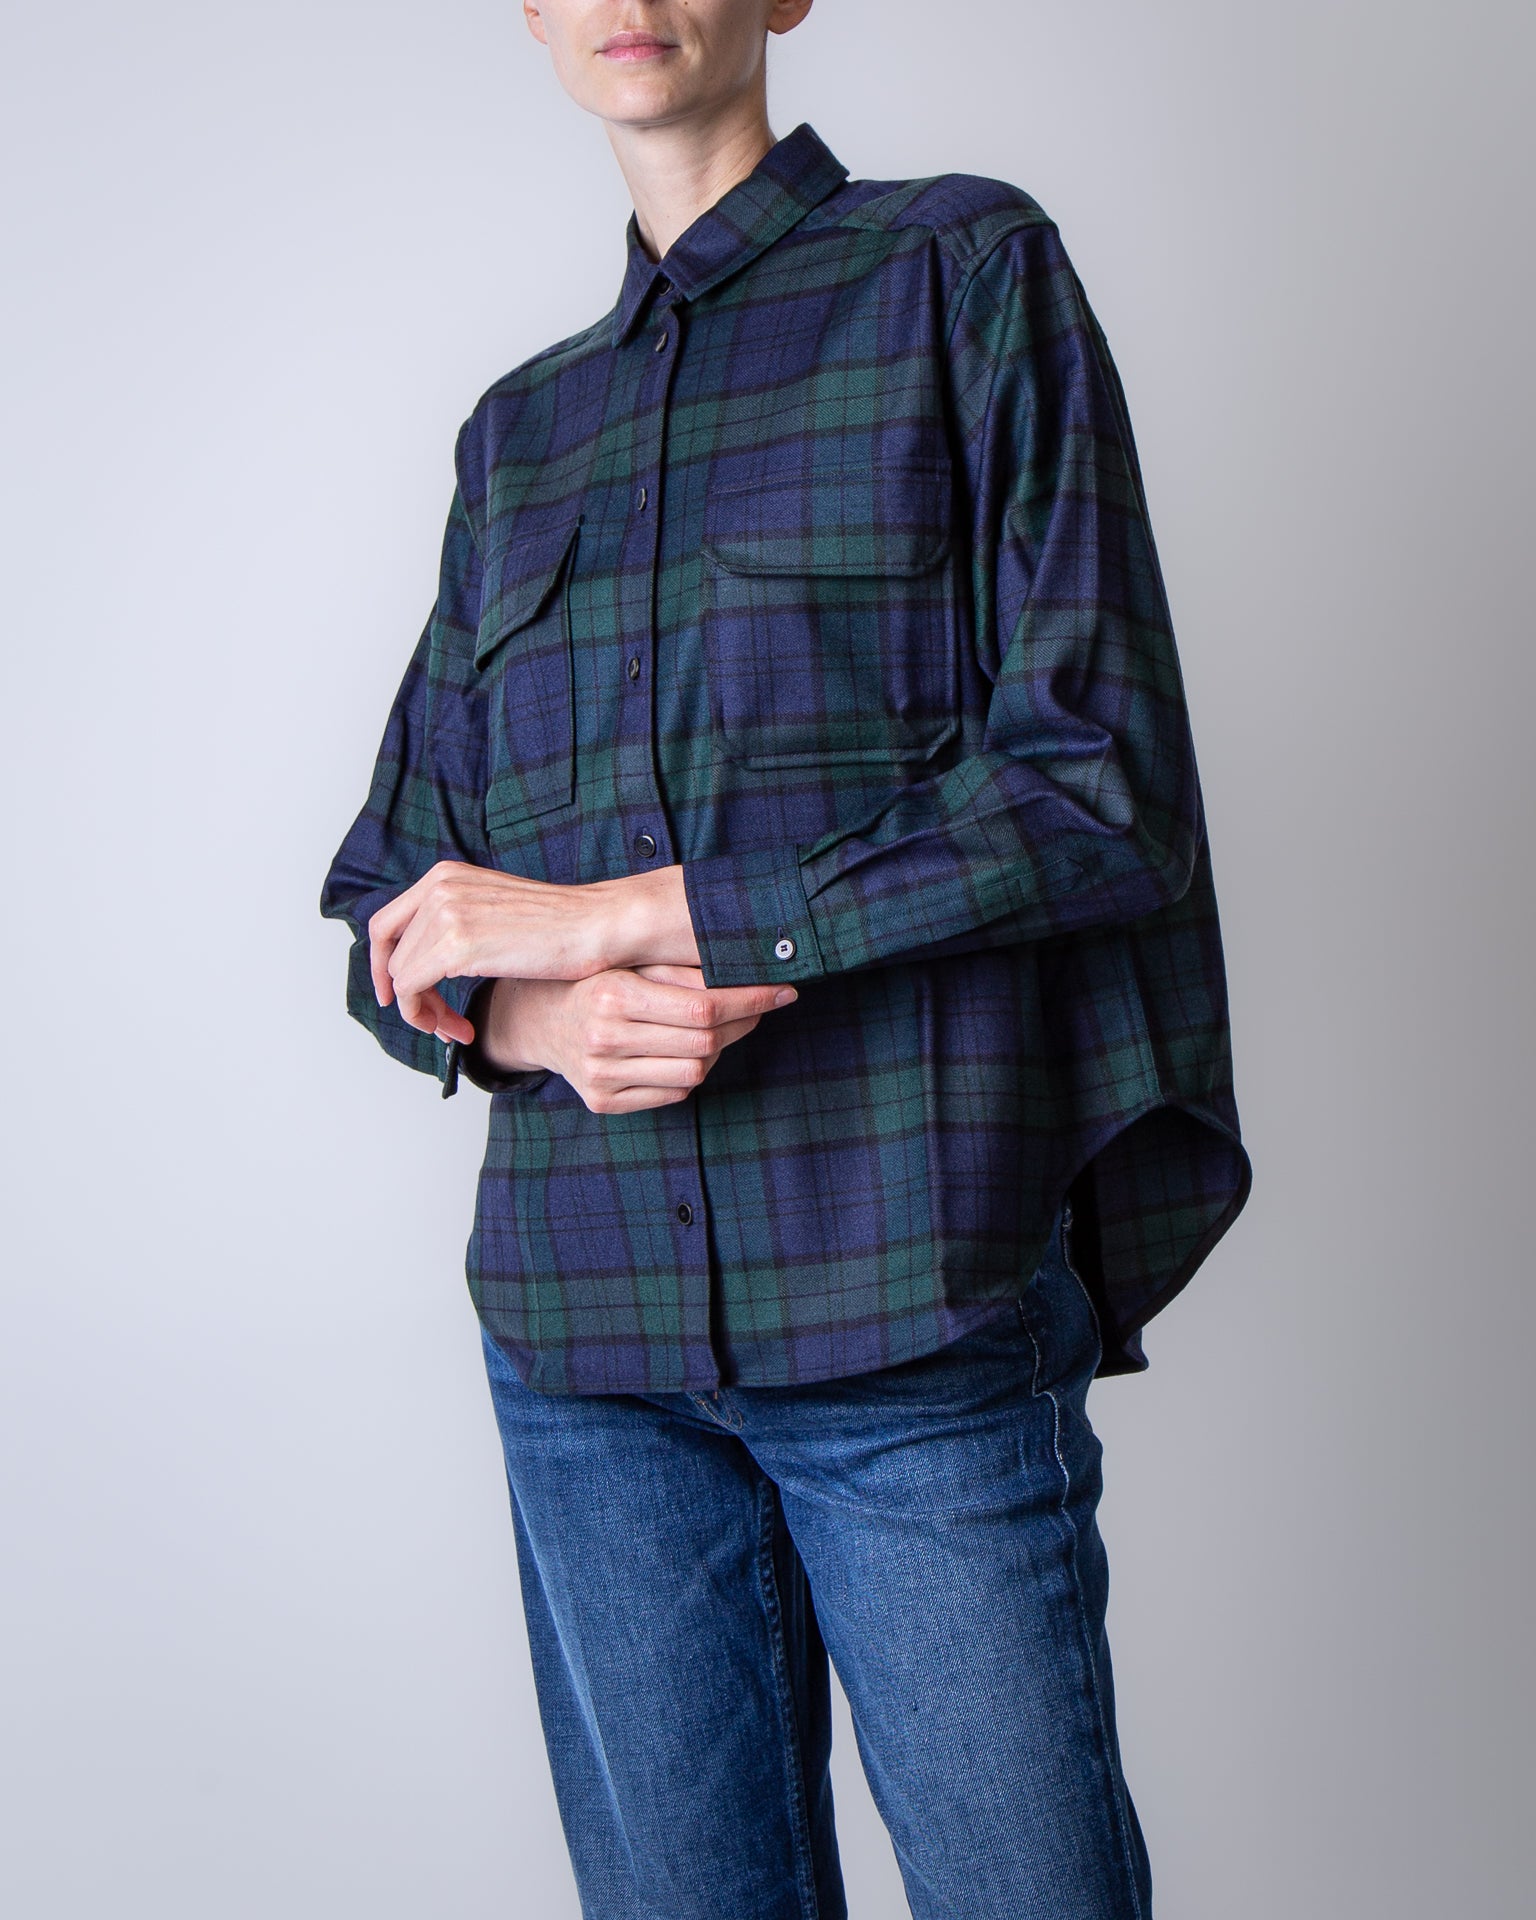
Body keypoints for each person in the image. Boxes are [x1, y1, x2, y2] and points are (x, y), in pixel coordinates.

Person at [319, 4, 1252, 1914]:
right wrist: (530, 1017)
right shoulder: (518, 439)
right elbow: (391, 906)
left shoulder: (962, 277)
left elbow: (1098, 782)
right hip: (586, 1353)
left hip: (908, 1293)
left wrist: (638, 911)